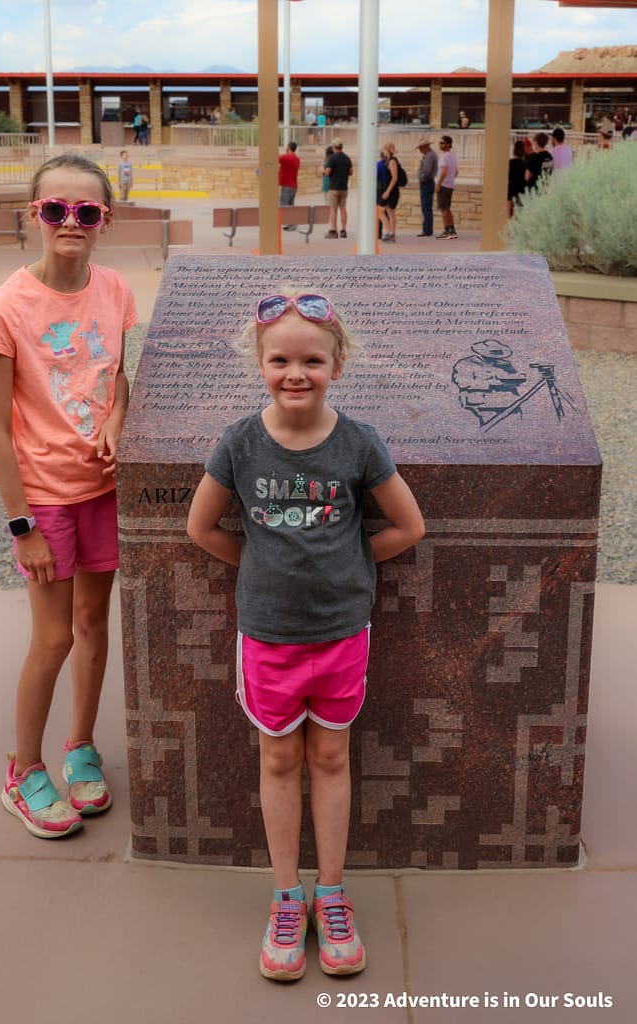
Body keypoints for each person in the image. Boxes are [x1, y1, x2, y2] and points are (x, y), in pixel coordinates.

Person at [186, 288, 425, 982]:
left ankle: (331, 891)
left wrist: (347, 566)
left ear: (336, 363)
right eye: (280, 360)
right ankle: (285, 897)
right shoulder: (239, 442)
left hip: (340, 633)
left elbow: (408, 527)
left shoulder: (357, 443)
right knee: (279, 762)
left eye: (311, 360)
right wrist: (260, 566)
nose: (296, 373)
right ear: (259, 363)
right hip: (267, 637)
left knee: (329, 760)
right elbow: (200, 528)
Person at [0, 153, 138, 839]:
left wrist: (116, 416)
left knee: (95, 627)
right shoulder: (8, 306)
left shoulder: (116, 291)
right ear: (33, 216)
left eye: (86, 211)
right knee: (51, 637)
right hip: (44, 498)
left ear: (105, 219)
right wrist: (23, 526)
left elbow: (116, 378)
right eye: (55, 210)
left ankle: (79, 747)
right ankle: (23, 770)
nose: (70, 222)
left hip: (101, 489)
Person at [323, 137, 353, 239]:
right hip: (344, 188)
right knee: (343, 208)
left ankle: (333, 230)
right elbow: (351, 172)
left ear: (334, 147)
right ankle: (343, 230)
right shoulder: (347, 158)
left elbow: (327, 172)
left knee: (333, 209)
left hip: (333, 188)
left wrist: (323, 171)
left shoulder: (332, 158)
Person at [435, 135, 458, 240]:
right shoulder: (453, 156)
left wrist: (438, 184)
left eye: (442, 143)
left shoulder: (444, 157)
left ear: (448, 144)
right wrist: (451, 179)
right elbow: (456, 172)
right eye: (440, 143)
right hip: (450, 185)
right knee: (448, 209)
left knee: (444, 209)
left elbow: (443, 172)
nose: (440, 145)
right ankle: (452, 230)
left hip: (444, 186)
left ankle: (446, 230)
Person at [416, 137, 438, 237]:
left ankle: (427, 230)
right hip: (428, 183)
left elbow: (427, 172)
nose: (420, 150)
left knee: (426, 207)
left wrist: (421, 179)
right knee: (426, 207)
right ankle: (427, 229)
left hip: (427, 183)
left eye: (421, 148)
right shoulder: (429, 155)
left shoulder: (429, 156)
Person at [378, 142, 400, 243]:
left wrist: (387, 191)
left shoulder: (392, 161)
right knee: (390, 212)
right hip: (390, 190)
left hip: (391, 191)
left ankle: (389, 233)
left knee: (382, 212)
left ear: (387, 150)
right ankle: (391, 234)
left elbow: (394, 178)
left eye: (384, 149)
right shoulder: (388, 161)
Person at [278, 141, 300, 230]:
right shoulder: (296, 158)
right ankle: (292, 224)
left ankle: (291, 223)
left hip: (287, 185)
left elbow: (275, 158)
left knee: (284, 205)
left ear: (288, 148)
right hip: (293, 185)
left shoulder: (287, 157)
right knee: (291, 205)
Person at [507, 139, 527, 218]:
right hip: (521, 190)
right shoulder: (525, 164)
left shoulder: (510, 163)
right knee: (519, 214)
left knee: (509, 215)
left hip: (511, 189)